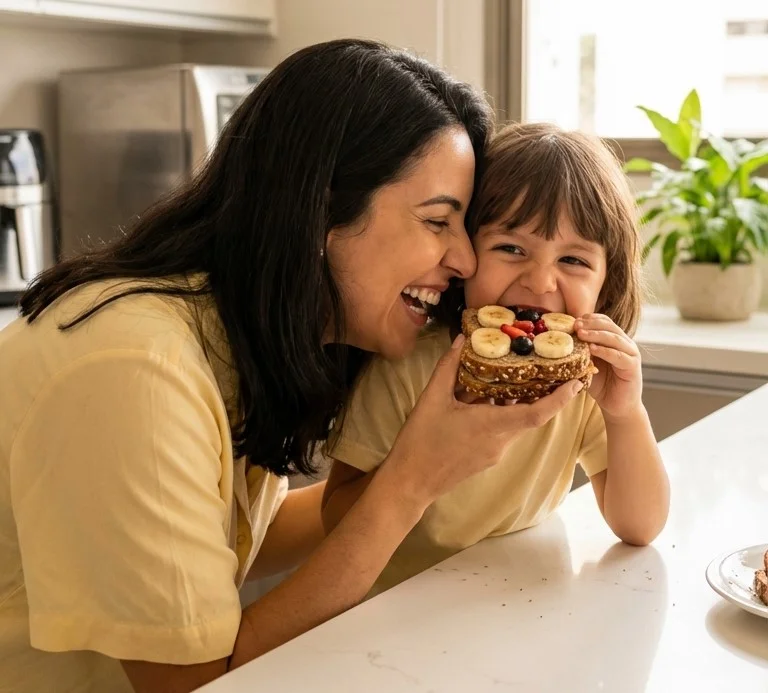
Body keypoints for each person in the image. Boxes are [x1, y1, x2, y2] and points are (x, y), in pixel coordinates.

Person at [0, 42, 587, 693]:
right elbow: (196, 685)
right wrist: (409, 483)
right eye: (436, 221)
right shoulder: (134, 369)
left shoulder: (233, 331)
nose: (466, 262)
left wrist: (438, 465)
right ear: (323, 210)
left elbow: (238, 532)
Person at [322, 122, 671, 595]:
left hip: (523, 602)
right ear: (464, 255)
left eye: (573, 261)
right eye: (510, 249)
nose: (541, 282)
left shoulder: (584, 384)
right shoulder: (406, 370)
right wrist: (418, 468)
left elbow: (640, 526)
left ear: (605, 285)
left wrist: (626, 413)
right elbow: (333, 517)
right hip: (401, 611)